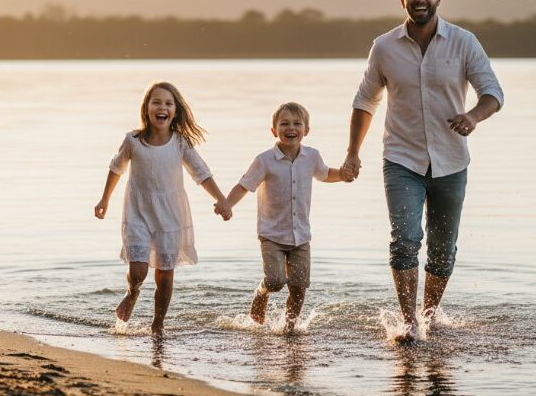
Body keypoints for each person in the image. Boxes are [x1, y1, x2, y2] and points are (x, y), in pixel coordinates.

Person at [342, 0, 504, 343]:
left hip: (451, 161)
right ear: (403, 0)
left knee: (443, 248)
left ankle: (429, 316)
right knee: (404, 239)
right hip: (401, 159)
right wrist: (352, 153)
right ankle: (408, 323)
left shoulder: (464, 42)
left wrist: (473, 117)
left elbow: (493, 93)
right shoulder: (384, 47)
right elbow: (365, 101)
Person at [94, 81, 231, 335]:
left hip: (170, 215)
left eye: (168, 103)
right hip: (138, 211)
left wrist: (222, 199)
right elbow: (116, 168)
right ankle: (132, 292)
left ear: (175, 111)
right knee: (138, 270)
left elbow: (201, 173)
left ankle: (158, 324)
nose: (162, 107)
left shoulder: (180, 142)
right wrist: (104, 200)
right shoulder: (133, 140)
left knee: (165, 275)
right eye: (156, 102)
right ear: (146, 108)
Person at [223, 102, 347, 333]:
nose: (291, 128)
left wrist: (344, 175)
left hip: (301, 236)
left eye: (297, 123)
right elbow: (244, 185)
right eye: (284, 124)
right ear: (274, 130)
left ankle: (289, 328)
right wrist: (227, 204)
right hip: (272, 234)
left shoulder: (312, 156)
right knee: (275, 281)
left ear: (306, 130)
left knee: (299, 287)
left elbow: (326, 174)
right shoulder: (264, 160)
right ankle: (261, 292)